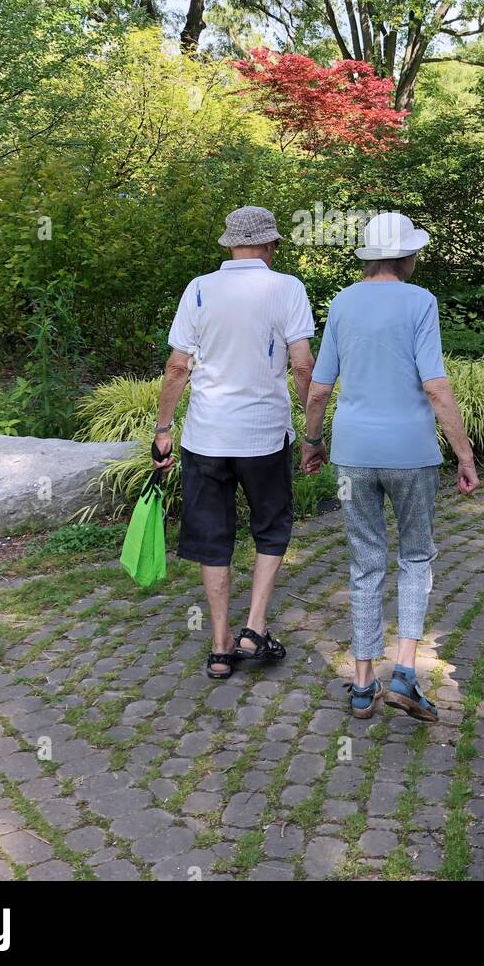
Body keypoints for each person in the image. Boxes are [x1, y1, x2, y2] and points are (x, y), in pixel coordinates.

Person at [302, 212, 479, 722]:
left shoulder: (341, 302)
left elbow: (318, 387)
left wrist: (313, 441)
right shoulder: (420, 302)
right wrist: (463, 453)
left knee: (365, 562)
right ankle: (403, 671)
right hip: (411, 454)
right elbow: (435, 385)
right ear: (407, 256)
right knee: (416, 557)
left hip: (354, 455)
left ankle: (361, 684)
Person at [152, 205, 315, 680]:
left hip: (206, 437)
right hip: (264, 437)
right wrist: (312, 433)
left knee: (211, 536)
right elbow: (303, 365)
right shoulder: (286, 288)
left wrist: (163, 430)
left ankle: (221, 646)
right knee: (270, 527)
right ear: (269, 246)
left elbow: (178, 366)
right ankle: (254, 626)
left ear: (229, 245)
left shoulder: (199, 289)